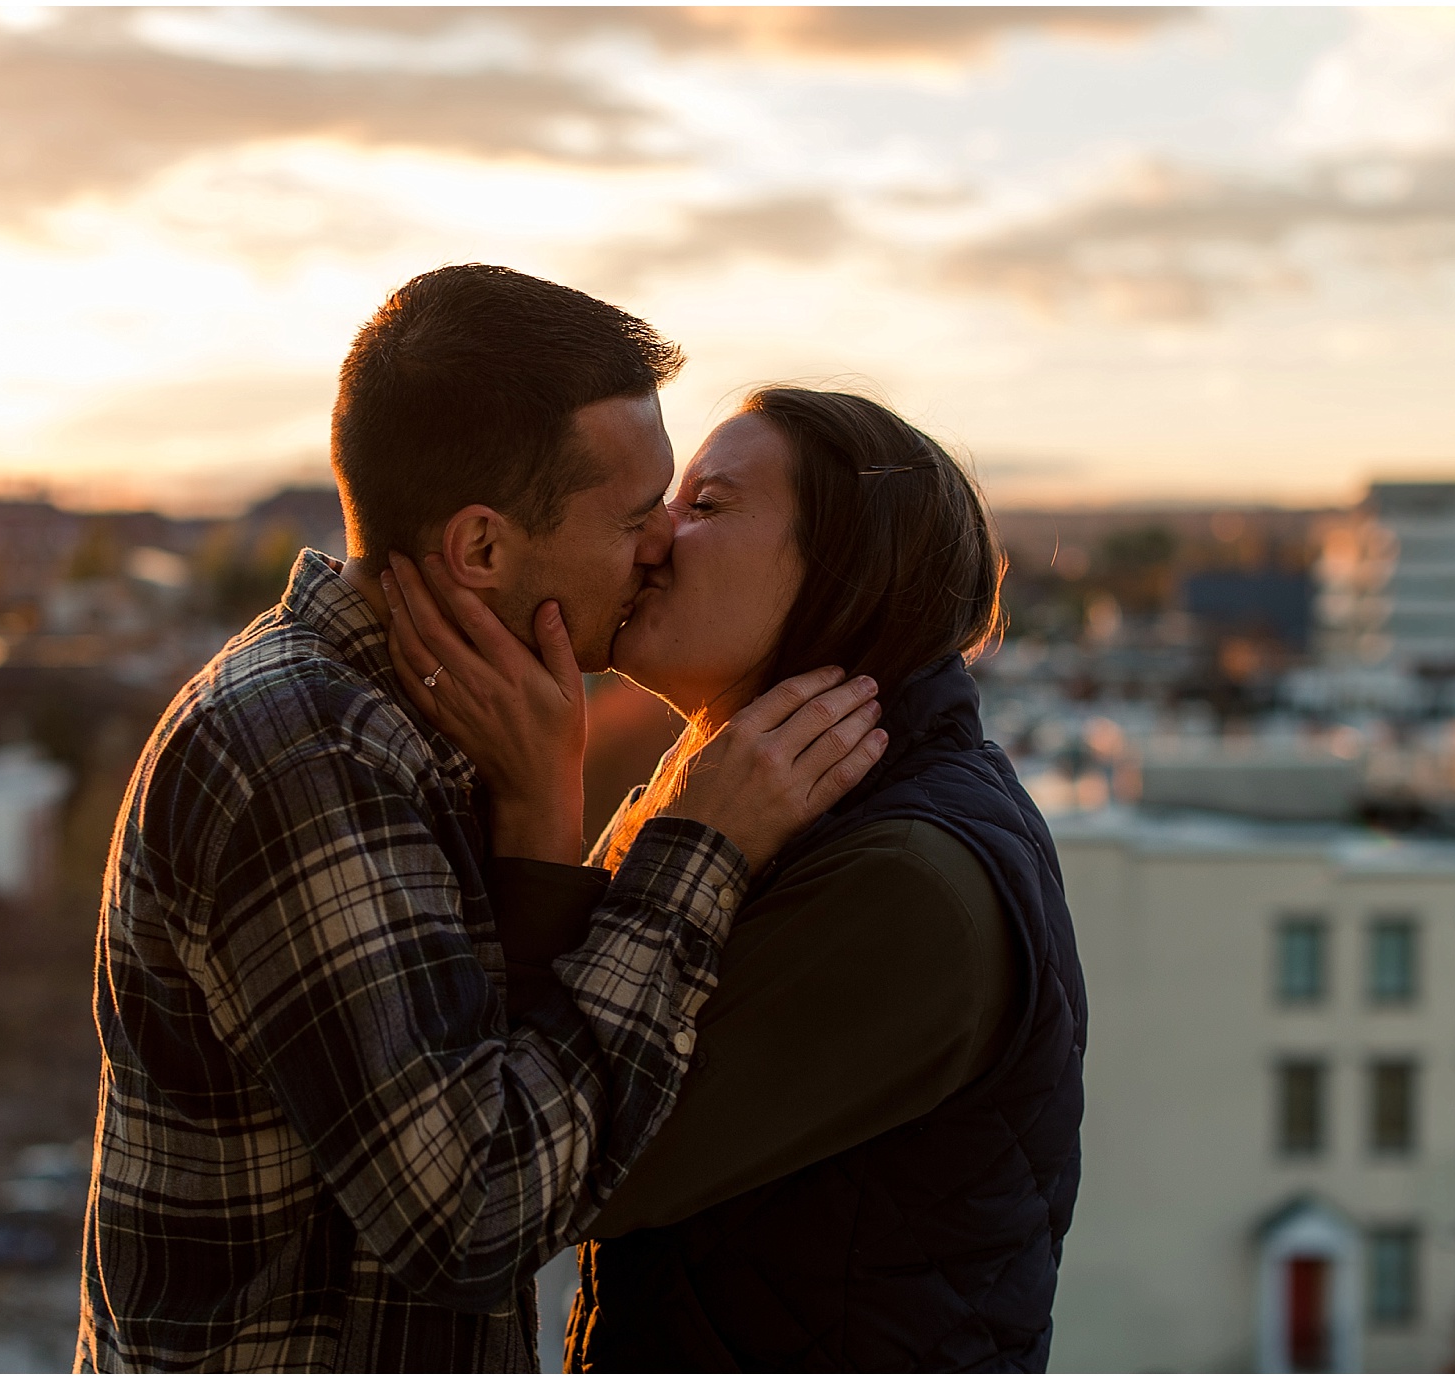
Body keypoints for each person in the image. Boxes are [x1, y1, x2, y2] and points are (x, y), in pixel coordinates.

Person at [76, 268, 891, 1372]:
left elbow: (490, 1068)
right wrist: (699, 855)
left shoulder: (440, 735)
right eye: (633, 515)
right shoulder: (309, 754)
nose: (660, 546)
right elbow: (476, 1205)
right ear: (483, 550)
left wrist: (540, 834)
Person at [383, 386, 1087, 1371]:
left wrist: (543, 810)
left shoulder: (904, 883)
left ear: (846, 573)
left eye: (706, 507)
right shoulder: (739, 798)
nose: (656, 537)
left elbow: (531, 1174)